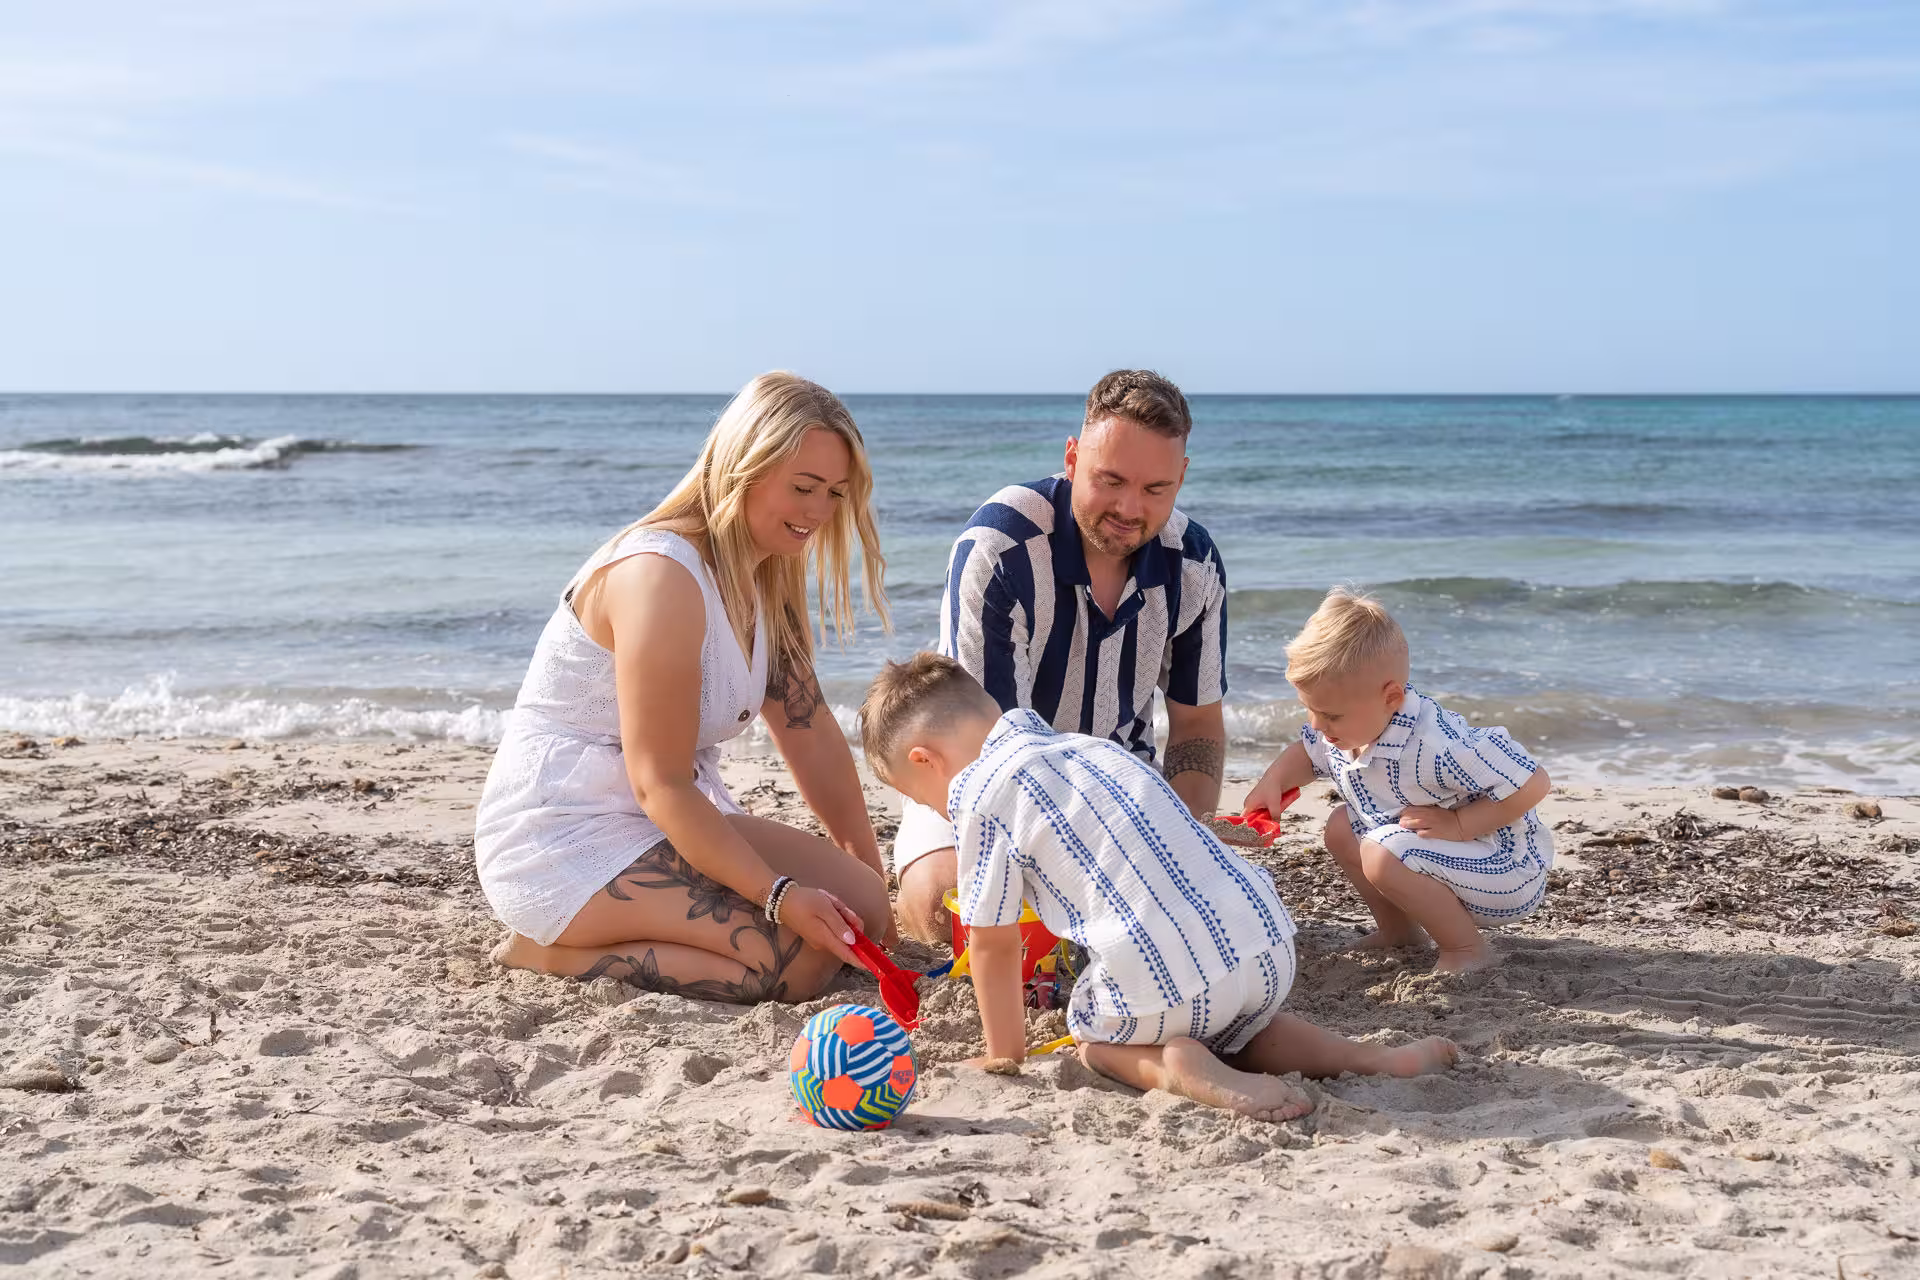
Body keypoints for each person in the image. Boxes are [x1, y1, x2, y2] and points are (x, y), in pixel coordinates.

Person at [860, 653, 1458, 1122]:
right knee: (1246, 1030)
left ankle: (1175, 1067)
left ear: (927, 760)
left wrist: (1003, 1056)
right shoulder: (1089, 749)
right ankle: (1370, 1058)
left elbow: (991, 941)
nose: (938, 808)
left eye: (922, 798)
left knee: (1093, 1035)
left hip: (1168, 979)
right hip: (1266, 948)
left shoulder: (981, 796)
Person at [475, 372, 893, 1004]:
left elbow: (807, 731)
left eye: (834, 493)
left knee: (864, 916)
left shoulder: (765, 573)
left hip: (667, 817)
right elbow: (658, 781)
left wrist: (865, 865)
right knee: (793, 964)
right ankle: (544, 952)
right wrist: (778, 896)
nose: (818, 512)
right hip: (567, 831)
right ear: (741, 469)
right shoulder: (662, 578)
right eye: (803, 487)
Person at [892, 369, 1231, 946]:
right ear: (1072, 459)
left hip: (1121, 787)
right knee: (944, 908)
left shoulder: (1193, 563)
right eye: (1111, 480)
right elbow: (985, 751)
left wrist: (1187, 836)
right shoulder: (1000, 549)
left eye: (1156, 489)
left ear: (1181, 479)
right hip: (978, 787)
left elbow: (1198, 726)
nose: (1130, 507)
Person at [1243, 588, 1554, 974]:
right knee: (1342, 826)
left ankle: (1466, 948)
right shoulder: (1350, 727)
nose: (1318, 726)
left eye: (1331, 716)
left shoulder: (1438, 744)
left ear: (1391, 697)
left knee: (1381, 851)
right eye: (1309, 710)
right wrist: (1274, 781)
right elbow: (1308, 753)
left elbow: (1534, 782)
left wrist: (1461, 824)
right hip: (1441, 858)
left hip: (1504, 872)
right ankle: (1400, 932)